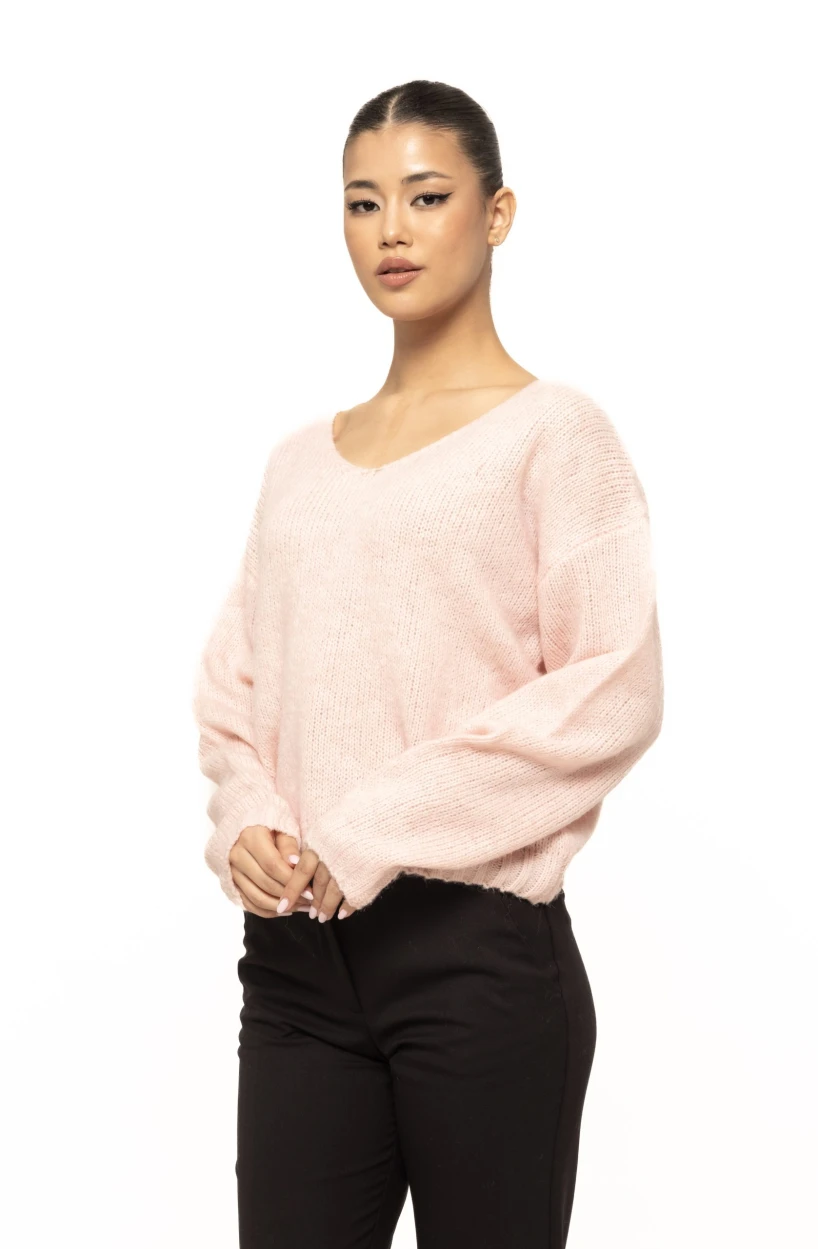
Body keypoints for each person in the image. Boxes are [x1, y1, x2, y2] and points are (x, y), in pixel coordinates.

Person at [192, 78, 664, 1249]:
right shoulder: (298, 463)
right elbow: (235, 687)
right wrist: (247, 815)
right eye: (361, 202)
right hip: (297, 963)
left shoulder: (554, 435)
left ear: (496, 213)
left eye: (425, 195)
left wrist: (370, 826)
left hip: (474, 959)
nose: (390, 229)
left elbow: (610, 688)